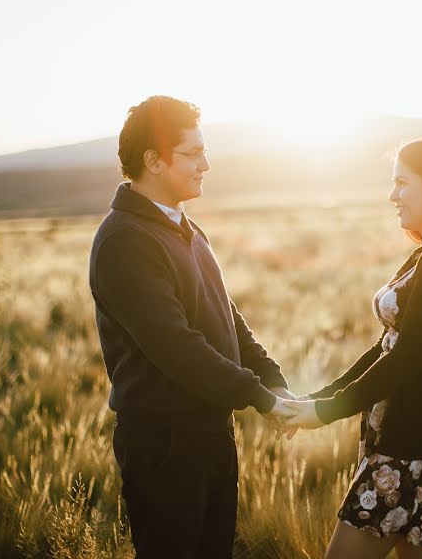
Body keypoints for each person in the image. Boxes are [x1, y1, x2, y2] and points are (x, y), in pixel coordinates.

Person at [88, 95, 299, 559]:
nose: (206, 164)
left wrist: (273, 381)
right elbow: (177, 347)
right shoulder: (125, 240)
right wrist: (259, 397)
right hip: (164, 445)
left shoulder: (184, 228)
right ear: (154, 161)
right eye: (193, 153)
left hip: (210, 434)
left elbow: (227, 318)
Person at [284, 137, 422, 559]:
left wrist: (326, 412)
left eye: (402, 182)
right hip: (417, 450)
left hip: (412, 457)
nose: (391, 195)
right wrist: (318, 399)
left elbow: (407, 358)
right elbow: (388, 346)